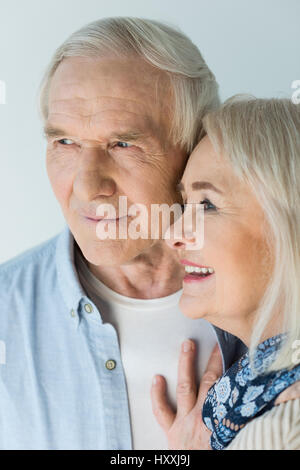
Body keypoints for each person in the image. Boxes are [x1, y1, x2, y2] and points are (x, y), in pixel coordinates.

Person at [0, 17, 245, 450]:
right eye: (64, 143)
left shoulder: (281, 297)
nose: (88, 187)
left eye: (123, 144)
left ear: (195, 147)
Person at [151, 96, 300, 450]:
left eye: (207, 205)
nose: (173, 234)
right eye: (185, 204)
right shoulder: (253, 405)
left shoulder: (279, 431)